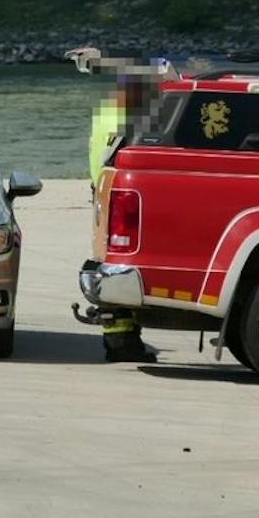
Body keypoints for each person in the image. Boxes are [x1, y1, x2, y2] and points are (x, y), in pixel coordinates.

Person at [69, 47, 166, 364]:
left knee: (110, 264)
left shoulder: (109, 115)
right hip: (116, 199)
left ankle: (120, 341)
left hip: (103, 195)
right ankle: (121, 344)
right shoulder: (129, 119)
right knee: (120, 269)